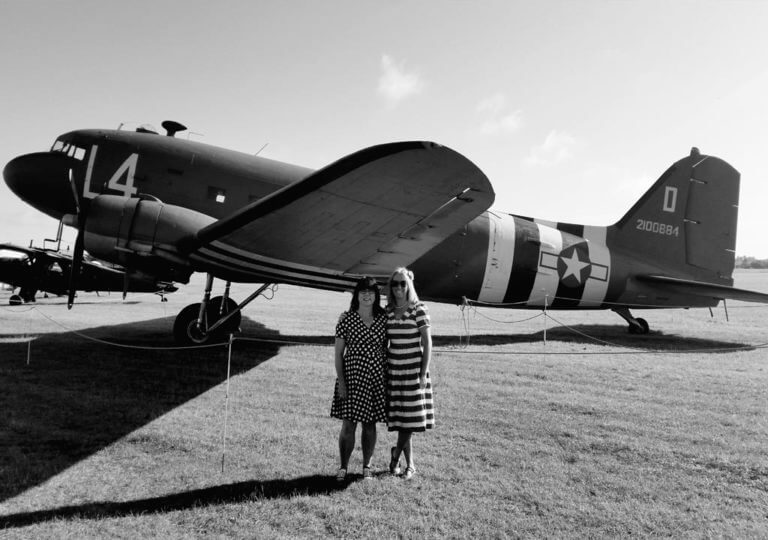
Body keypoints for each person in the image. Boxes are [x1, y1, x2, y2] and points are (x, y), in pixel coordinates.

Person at [330, 276, 388, 482]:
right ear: (357, 294)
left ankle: (367, 467)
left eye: (370, 292)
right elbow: (338, 354)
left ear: (376, 295)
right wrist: (342, 383)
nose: (366, 295)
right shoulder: (346, 319)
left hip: (375, 379)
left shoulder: (384, 318)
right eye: (362, 291)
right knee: (349, 425)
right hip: (352, 378)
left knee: (370, 425)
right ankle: (343, 467)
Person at [386, 267, 433, 480]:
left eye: (402, 283)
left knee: (411, 421)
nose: (398, 287)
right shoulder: (387, 311)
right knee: (404, 421)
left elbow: (427, 342)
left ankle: (397, 457)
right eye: (395, 283)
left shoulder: (418, 309)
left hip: (414, 371)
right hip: (394, 372)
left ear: (409, 285)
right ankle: (410, 465)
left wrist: (423, 373)